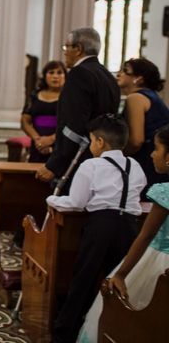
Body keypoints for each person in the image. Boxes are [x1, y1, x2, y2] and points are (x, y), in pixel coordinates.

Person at [46, 114, 146, 343]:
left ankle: (64, 334)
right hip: (129, 228)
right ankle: (111, 331)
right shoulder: (136, 166)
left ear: (99, 142)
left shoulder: (91, 165)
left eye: (91, 140)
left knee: (84, 280)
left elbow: (77, 202)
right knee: (116, 282)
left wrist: (52, 200)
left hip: (101, 226)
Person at [77, 124, 169, 343]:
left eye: (156, 148)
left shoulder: (165, 192)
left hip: (156, 263)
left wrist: (120, 274)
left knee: (131, 322)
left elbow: (145, 236)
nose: (152, 154)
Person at [36, 28, 120, 189]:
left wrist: (54, 165)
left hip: (79, 160)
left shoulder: (79, 74)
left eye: (67, 47)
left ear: (78, 48)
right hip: (101, 156)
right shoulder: (107, 75)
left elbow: (72, 126)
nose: (65, 52)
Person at [118, 57, 169, 200]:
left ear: (138, 78)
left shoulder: (136, 98)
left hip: (147, 162)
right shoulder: (152, 96)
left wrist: (116, 156)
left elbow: (136, 141)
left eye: (125, 71)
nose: (119, 74)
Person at [21, 60, 66, 163]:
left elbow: (71, 123)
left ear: (65, 76)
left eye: (59, 73)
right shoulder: (35, 95)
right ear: (45, 76)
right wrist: (38, 140)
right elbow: (25, 121)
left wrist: (51, 139)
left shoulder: (68, 97)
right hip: (37, 144)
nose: (55, 76)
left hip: (60, 144)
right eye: (51, 72)